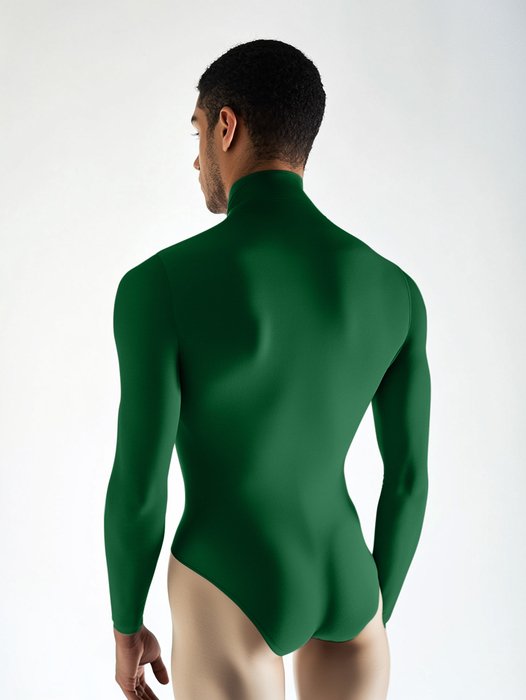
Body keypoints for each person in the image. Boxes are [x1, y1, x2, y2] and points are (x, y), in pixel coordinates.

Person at [104, 39, 431, 700]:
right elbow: (407, 479)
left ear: (226, 127)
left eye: (198, 132)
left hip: (229, 576)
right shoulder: (396, 291)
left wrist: (126, 626)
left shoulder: (157, 285)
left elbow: (139, 487)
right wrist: (374, 610)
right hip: (346, 581)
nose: (196, 158)